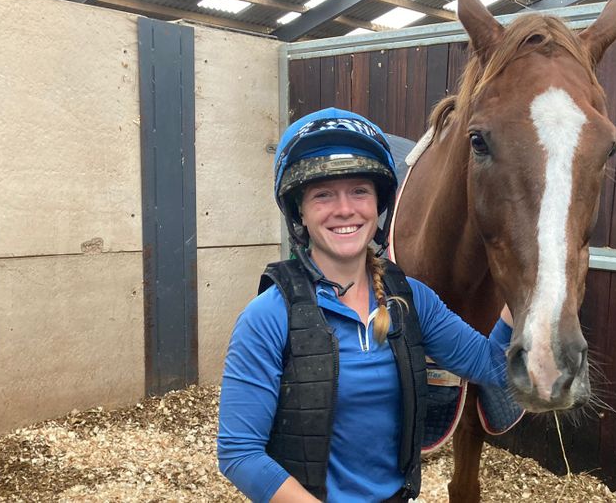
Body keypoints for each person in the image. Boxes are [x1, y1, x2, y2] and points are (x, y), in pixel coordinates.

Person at [217, 108, 513, 503]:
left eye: (359, 191)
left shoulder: (411, 300)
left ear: (378, 205)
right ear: (299, 212)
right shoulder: (268, 317)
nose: (345, 209)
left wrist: (530, 282)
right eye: (323, 194)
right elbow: (239, 454)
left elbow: (493, 364)